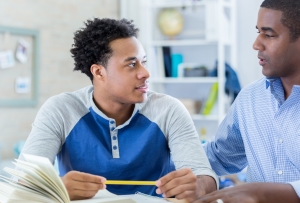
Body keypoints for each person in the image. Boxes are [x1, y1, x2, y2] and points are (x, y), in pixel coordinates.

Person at [19, 18, 217, 202]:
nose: (146, 73)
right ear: (98, 72)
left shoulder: (169, 110)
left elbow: (204, 175)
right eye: (132, 64)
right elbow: (23, 183)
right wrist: (56, 189)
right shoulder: (60, 110)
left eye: (144, 62)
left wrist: (198, 186)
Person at [194, 0, 300, 203]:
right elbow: (219, 156)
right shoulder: (250, 98)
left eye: (268, 34)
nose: (256, 44)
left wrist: (261, 194)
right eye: (258, 32)